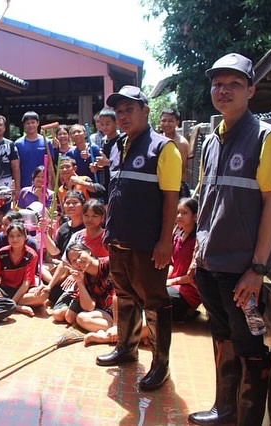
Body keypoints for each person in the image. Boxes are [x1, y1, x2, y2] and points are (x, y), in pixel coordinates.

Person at [188, 53, 271, 426]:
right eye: (217, 84)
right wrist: (197, 252)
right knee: (222, 334)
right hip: (209, 262)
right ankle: (224, 409)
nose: (223, 90)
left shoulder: (265, 137)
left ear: (250, 90)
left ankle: (247, 419)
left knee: (249, 343)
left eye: (234, 84)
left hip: (242, 269)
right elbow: (205, 200)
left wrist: (257, 269)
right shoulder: (211, 141)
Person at [97, 85, 182, 392]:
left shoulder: (164, 148)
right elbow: (116, 193)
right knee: (124, 294)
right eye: (119, 111)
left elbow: (171, 199)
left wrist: (165, 242)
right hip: (119, 239)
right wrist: (109, 231)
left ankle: (161, 364)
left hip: (147, 244)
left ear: (145, 111)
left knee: (155, 301)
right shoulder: (117, 146)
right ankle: (126, 348)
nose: (123, 116)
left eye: (129, 110)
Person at [0, 221, 48, 316]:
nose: (15, 239)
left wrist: (11, 303)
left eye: (18, 235)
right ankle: (18, 307)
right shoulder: (1, 253)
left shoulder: (31, 255)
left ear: (25, 237)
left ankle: (8, 304)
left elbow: (26, 284)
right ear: (7, 237)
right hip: (5, 289)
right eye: (11, 236)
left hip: (24, 290)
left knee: (43, 295)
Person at [166, 198, 201, 322]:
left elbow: (191, 277)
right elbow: (172, 264)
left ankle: (187, 312)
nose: (179, 216)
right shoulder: (177, 237)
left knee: (161, 299)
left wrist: (170, 282)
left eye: (184, 213)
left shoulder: (197, 241)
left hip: (189, 290)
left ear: (195, 216)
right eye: (177, 212)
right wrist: (163, 281)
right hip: (174, 284)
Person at [14, 111, 55, 188]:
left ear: (38, 123)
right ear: (24, 125)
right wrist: (17, 186)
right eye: (28, 123)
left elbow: (50, 165)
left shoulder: (46, 142)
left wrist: (50, 183)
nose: (30, 125)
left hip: (43, 184)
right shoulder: (18, 144)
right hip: (25, 184)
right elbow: (16, 167)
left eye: (33, 122)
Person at [159, 108, 191, 198]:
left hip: (177, 187)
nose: (166, 124)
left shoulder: (182, 143)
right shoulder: (157, 141)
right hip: (159, 186)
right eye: (163, 121)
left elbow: (181, 169)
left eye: (170, 121)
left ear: (177, 122)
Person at [90, 108, 121, 191]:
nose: (104, 127)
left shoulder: (122, 140)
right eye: (102, 124)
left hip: (119, 183)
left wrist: (107, 162)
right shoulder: (104, 140)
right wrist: (97, 167)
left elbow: (124, 164)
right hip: (107, 182)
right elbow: (106, 165)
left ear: (116, 123)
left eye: (107, 124)